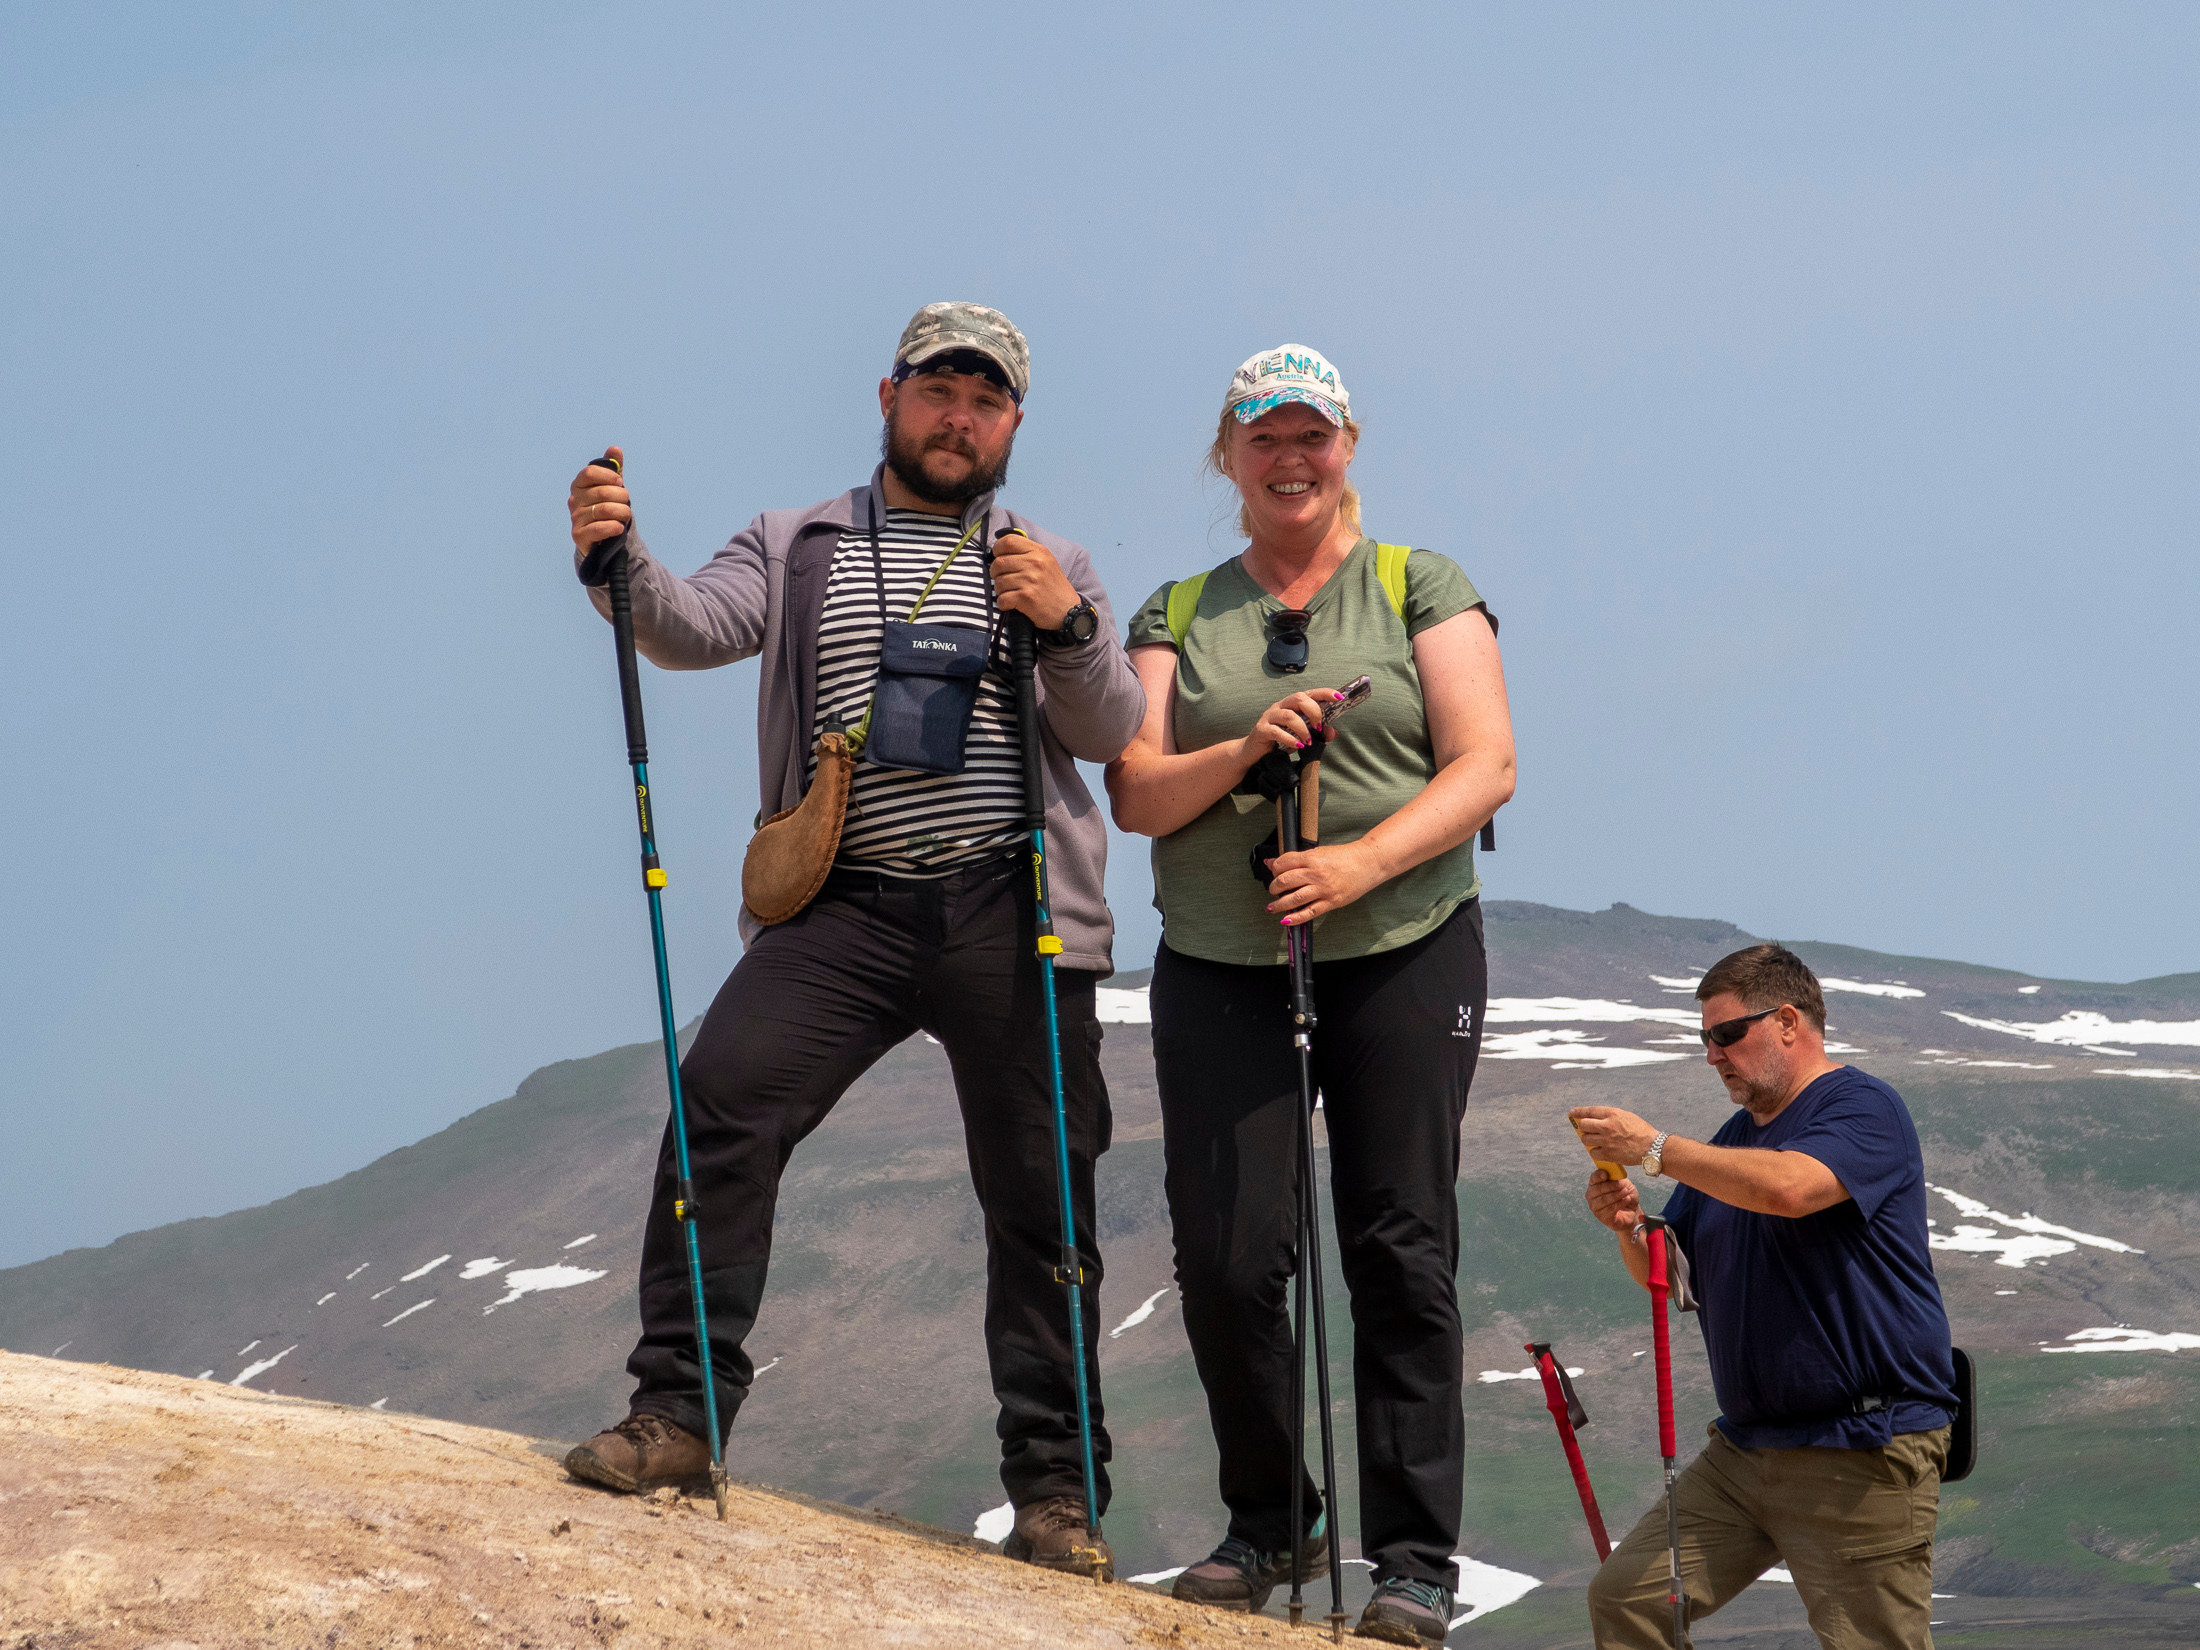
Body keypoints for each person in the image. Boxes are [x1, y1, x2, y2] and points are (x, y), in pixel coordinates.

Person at [559, 303, 1144, 1579]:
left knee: (1044, 1201)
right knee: (718, 1104)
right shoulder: (796, 540)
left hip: (1014, 910)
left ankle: (1055, 1496)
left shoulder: (1054, 560)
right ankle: (679, 1416)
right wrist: (619, 557)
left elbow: (1106, 730)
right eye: (940, 390)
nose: (959, 417)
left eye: (985, 400)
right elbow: (687, 627)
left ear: (1015, 424)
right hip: (842, 905)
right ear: (890, 396)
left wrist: (1069, 624)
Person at [1105, 345, 1517, 1644]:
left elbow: (1487, 762)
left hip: (1405, 943)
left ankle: (1412, 1560)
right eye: (1262, 435)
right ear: (1225, 455)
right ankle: (1273, 1515)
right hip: (1224, 963)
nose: (1290, 458)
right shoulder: (1177, 609)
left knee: (1396, 1240)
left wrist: (1357, 862)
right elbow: (1137, 790)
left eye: (1312, 434)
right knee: (1230, 1257)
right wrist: (1243, 748)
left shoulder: (1419, 583)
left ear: (1350, 444)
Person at [1571, 942, 1959, 1650]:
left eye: (1725, 1035)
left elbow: (1789, 1189)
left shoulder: (1863, 1108)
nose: (1713, 1055)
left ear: (1787, 1021)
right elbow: (1672, 1274)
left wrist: (1655, 1148)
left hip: (1861, 1448)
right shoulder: (1734, 1139)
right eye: (1705, 1041)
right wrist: (1630, 1227)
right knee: (1629, 1600)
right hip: (1747, 1451)